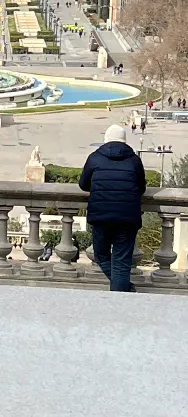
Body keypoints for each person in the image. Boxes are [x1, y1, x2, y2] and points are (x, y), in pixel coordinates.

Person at [79, 122, 147, 293]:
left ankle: (124, 290)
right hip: (127, 218)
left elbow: (83, 185)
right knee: (122, 262)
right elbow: (142, 187)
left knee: (101, 255)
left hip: (101, 217)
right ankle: (123, 291)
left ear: (106, 140)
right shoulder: (134, 160)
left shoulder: (94, 157)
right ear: (125, 141)